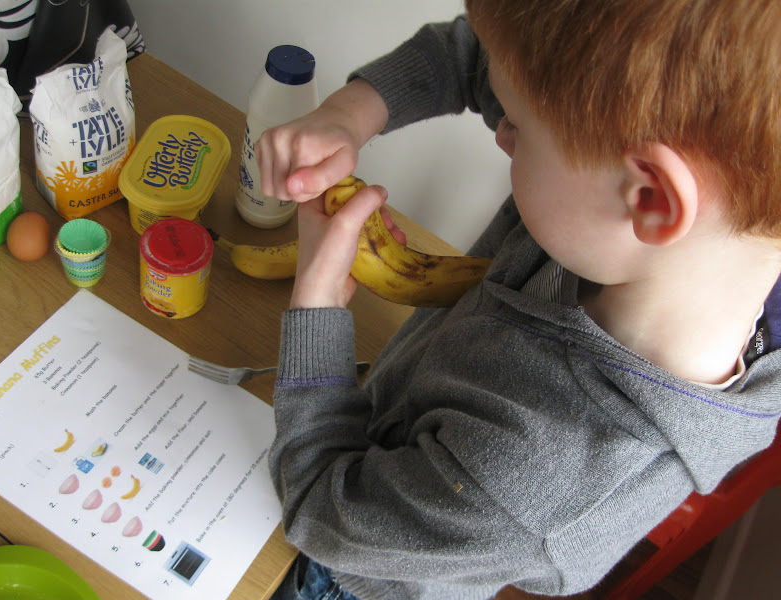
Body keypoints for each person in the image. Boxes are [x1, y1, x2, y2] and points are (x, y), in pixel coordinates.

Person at [258, 1, 781, 599]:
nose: (502, 131)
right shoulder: (704, 240)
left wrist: (316, 310)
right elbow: (484, 56)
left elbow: (320, 505)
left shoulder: (529, 482)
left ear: (651, 199)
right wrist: (351, 113)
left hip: (351, 570)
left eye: (521, 128)